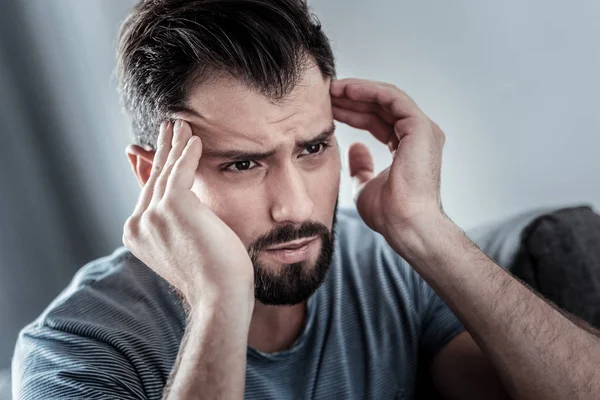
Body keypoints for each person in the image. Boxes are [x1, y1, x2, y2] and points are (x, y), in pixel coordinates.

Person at [12, 0, 600, 399]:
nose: (294, 206)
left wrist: (426, 230)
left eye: (313, 148)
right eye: (243, 164)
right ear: (153, 174)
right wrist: (218, 301)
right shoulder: (75, 351)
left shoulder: (385, 267)